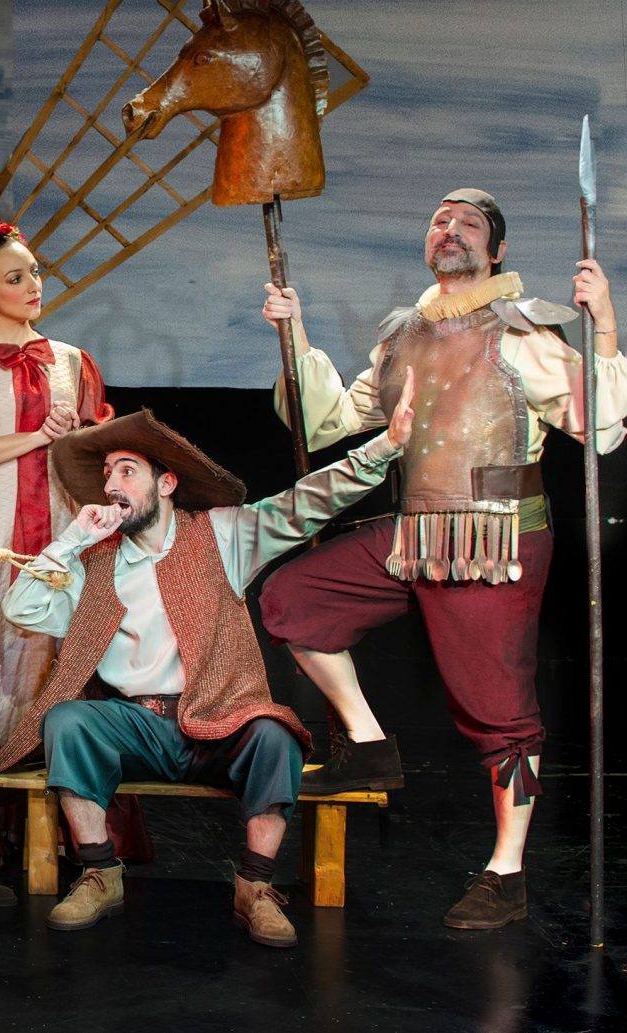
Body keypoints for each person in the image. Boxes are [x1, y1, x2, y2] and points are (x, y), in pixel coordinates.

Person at [257, 188, 626, 929]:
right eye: (440, 220)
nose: (450, 229)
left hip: (494, 541)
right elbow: (329, 420)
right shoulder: (404, 337)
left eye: (470, 223)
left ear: (497, 250)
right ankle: (368, 743)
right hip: (415, 534)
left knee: (500, 713)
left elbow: (604, 427)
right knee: (293, 598)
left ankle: (506, 872)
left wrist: (607, 328)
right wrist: (294, 336)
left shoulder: (521, 330)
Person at [0, 399, 412, 946]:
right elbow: (21, 609)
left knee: (275, 734)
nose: (111, 485)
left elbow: (303, 504)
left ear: (166, 484)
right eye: (107, 473)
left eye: (127, 471)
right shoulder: (93, 561)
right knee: (68, 721)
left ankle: (255, 887)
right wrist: (73, 540)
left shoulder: (222, 535)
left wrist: (384, 447)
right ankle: (100, 873)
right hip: (135, 726)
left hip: (220, 720)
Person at [0, 221, 140, 894]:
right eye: (14, 277)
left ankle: (71, 836)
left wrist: (85, 445)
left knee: (56, 667)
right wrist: (35, 435)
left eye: (35, 272)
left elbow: (99, 446)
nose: (32, 285)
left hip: (63, 524)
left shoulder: (71, 361)